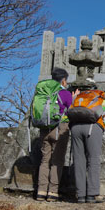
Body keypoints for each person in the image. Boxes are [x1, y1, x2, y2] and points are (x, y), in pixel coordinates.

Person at [36, 68, 78, 202]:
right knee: (57, 160)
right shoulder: (64, 93)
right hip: (59, 128)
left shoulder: (43, 92)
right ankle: (52, 192)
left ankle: (41, 191)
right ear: (64, 80)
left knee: (44, 160)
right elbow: (71, 110)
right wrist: (73, 98)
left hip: (44, 129)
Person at [70, 80, 105, 203]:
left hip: (75, 127)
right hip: (92, 127)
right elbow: (103, 112)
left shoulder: (77, 98)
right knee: (93, 160)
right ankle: (91, 194)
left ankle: (80, 195)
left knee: (79, 161)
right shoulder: (98, 96)